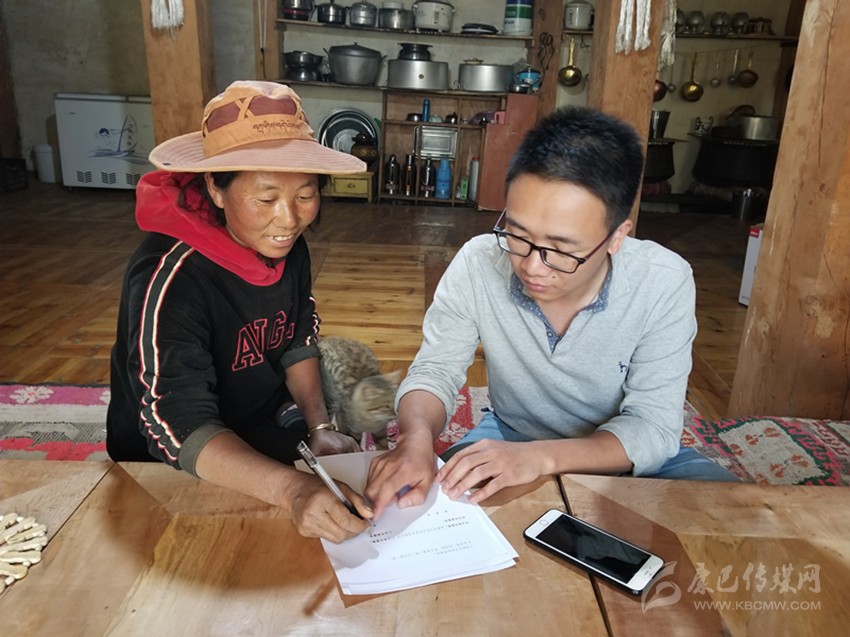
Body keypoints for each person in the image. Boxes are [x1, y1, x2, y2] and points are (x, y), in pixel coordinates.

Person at [366, 106, 738, 519]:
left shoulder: (662, 280)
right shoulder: (478, 262)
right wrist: (415, 440)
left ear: (617, 237)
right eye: (517, 234)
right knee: (432, 508)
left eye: (561, 250)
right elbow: (436, 370)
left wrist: (541, 459)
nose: (532, 266)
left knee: (735, 513)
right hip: (512, 437)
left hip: (619, 451)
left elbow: (652, 426)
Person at [107, 81, 373, 542]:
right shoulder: (172, 274)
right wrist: (291, 489)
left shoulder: (286, 245)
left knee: (347, 490)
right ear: (215, 187)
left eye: (305, 195)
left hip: (253, 421)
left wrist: (320, 426)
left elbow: (298, 336)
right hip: (176, 452)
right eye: (266, 199)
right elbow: (175, 419)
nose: (288, 219)